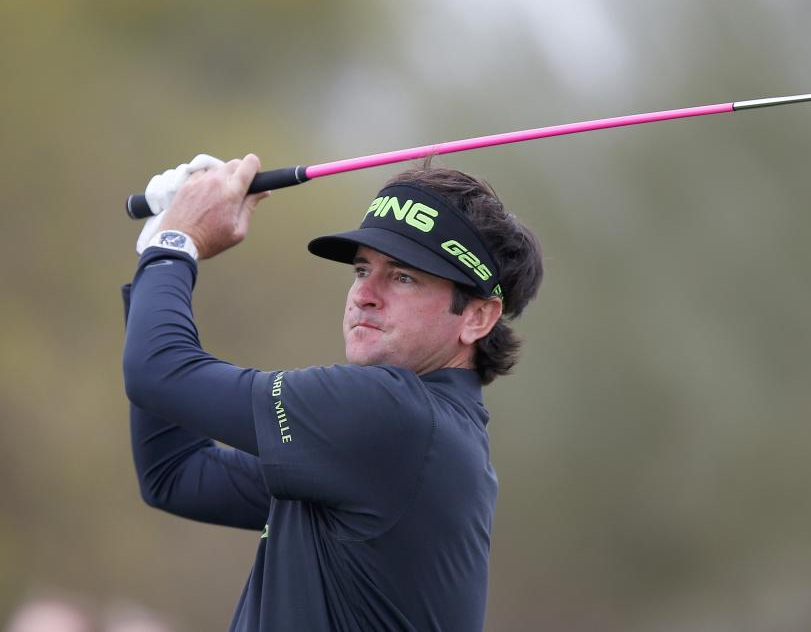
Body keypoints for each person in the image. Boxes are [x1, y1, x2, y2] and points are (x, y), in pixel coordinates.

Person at [121, 154, 544, 631]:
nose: (365, 294)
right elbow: (176, 475)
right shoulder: (398, 441)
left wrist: (175, 244)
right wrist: (159, 255)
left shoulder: (395, 416)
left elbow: (158, 372)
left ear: (477, 317)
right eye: (363, 270)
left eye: (404, 277)